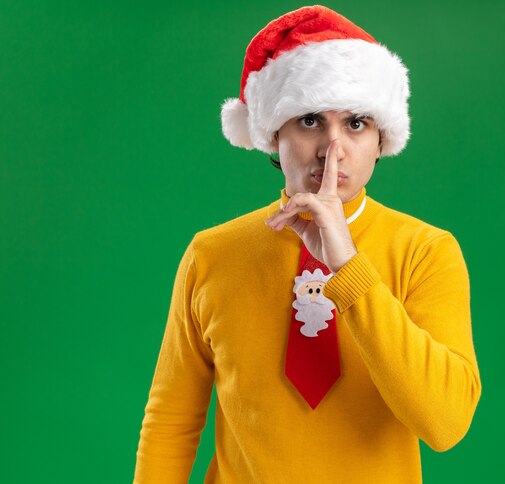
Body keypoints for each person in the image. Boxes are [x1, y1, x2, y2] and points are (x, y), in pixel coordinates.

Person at [134, 5, 482, 483]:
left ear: (382, 139)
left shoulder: (426, 251)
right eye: (310, 120)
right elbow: (171, 422)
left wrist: (348, 265)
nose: (331, 148)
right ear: (273, 133)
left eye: (356, 123)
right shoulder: (211, 254)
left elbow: (445, 423)